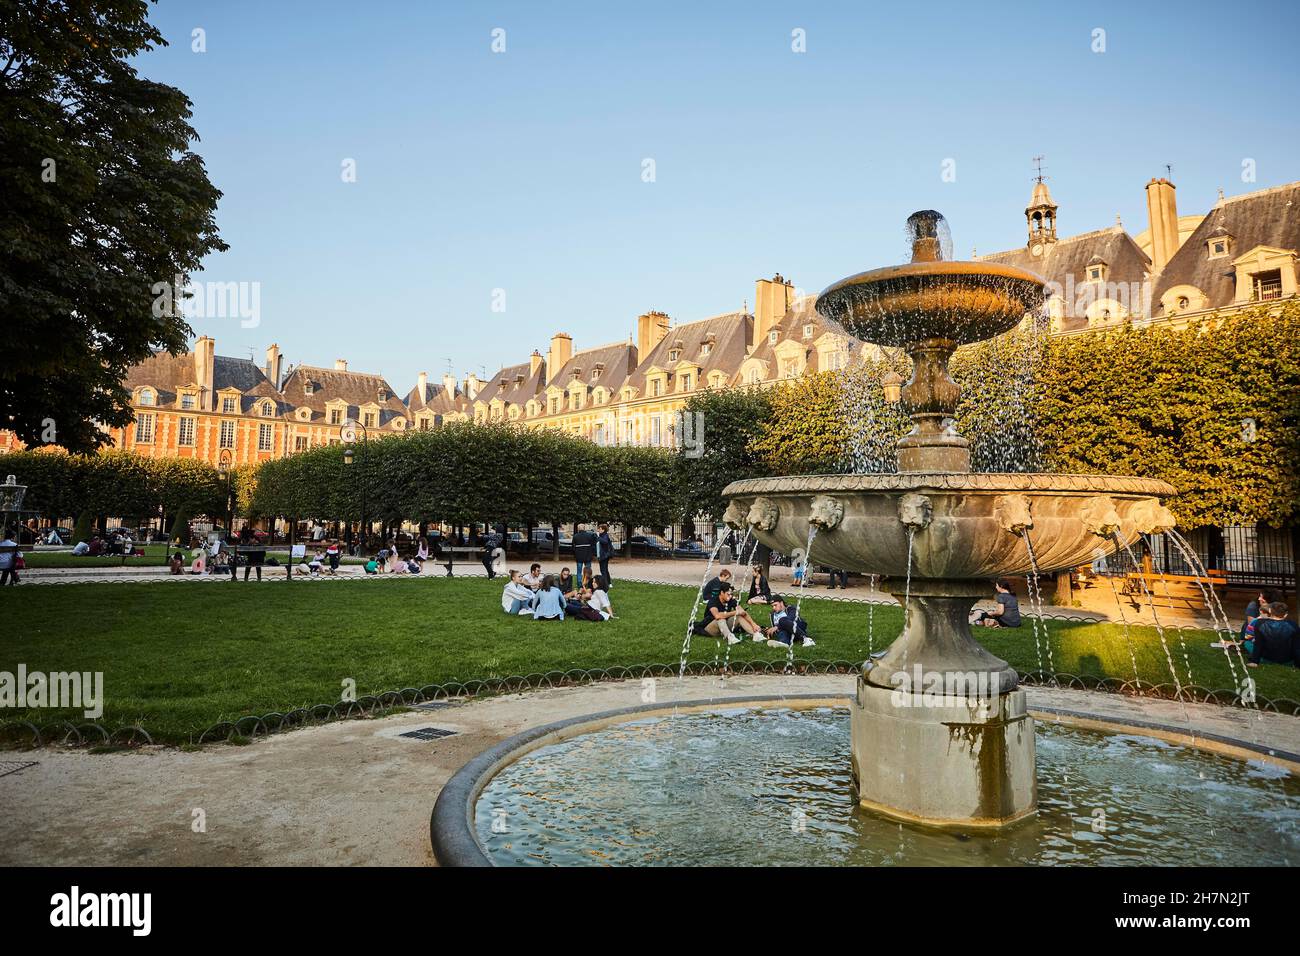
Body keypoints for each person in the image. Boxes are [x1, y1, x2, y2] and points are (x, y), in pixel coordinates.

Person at [698, 582, 763, 645]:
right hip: (710, 628)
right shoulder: (713, 601)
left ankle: (755, 634)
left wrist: (753, 624)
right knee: (721, 618)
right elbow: (717, 616)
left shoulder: (731, 600)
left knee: (739, 616)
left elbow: (742, 612)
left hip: (724, 626)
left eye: (731, 594)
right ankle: (730, 638)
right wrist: (735, 612)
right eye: (728, 594)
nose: (730, 596)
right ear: (722, 593)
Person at [1246, 601, 1298, 668]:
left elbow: (1258, 644)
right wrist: (1297, 664)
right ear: (1286, 614)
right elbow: (1296, 647)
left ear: (1270, 610)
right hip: (1287, 660)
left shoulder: (1260, 623)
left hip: (1266, 658)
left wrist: (1254, 661)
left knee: (1247, 643)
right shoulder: (1293, 625)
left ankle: (1256, 660)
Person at [596, 523, 614, 589]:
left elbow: (605, 542)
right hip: (603, 555)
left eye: (599, 529)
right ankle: (609, 583)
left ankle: (605, 584)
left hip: (604, 555)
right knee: (605, 570)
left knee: (603, 570)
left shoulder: (605, 535)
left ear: (603, 530)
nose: (598, 530)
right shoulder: (602, 535)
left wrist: (598, 537)